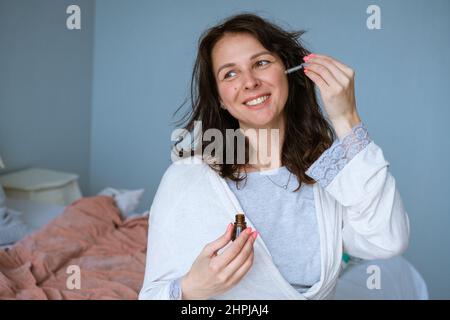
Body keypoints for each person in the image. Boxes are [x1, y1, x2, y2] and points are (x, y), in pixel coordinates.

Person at [139, 13, 410, 300]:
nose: (249, 82)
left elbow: (388, 240)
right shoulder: (187, 179)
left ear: (288, 71)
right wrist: (191, 289)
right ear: (219, 97)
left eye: (261, 63)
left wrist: (348, 119)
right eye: (230, 73)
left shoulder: (328, 173)